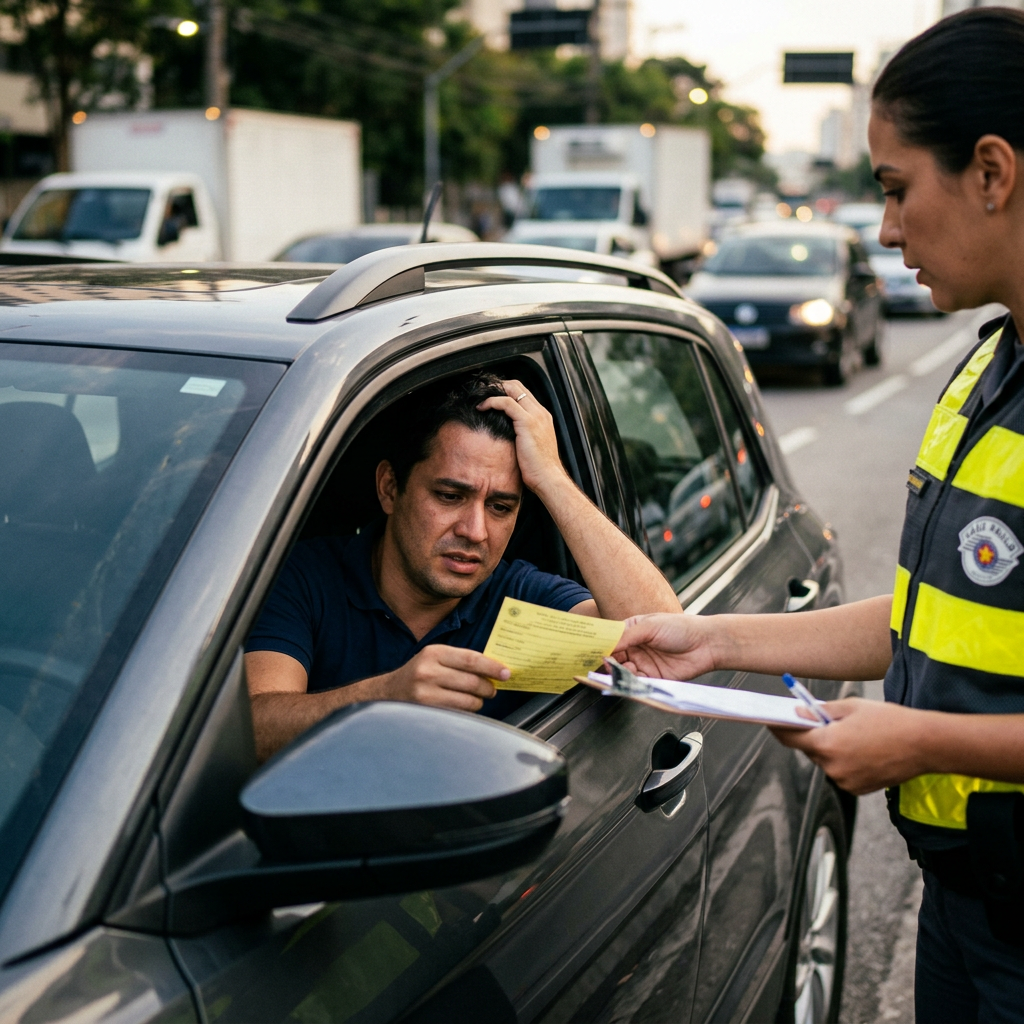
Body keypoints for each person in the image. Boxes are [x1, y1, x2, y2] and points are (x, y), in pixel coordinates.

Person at [615, 9, 1024, 1021]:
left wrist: (919, 739)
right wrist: (712, 639)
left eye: (894, 191)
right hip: (965, 905)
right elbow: (927, 619)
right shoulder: (985, 369)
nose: (883, 232)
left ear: (990, 171)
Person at [246, 371, 679, 761]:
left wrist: (551, 477)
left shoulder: (524, 603)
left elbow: (662, 639)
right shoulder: (306, 576)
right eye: (450, 496)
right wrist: (385, 697)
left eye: (500, 506)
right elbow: (250, 729)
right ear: (390, 488)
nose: (475, 531)